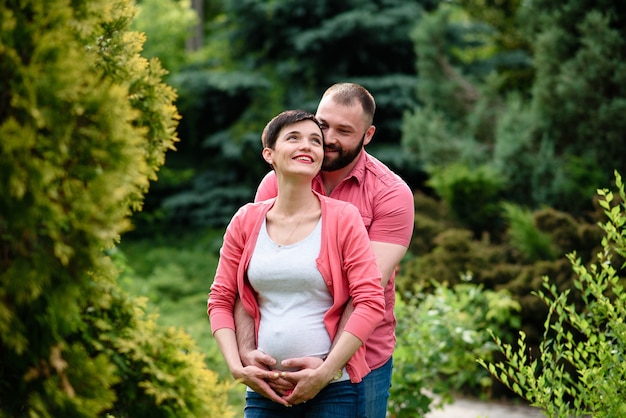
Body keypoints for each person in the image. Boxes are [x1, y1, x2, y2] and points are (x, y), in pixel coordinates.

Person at [236, 83, 415, 417]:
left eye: (344, 131)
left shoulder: (391, 194)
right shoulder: (277, 181)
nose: (328, 138)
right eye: (323, 124)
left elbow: (366, 291)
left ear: (368, 135)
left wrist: (326, 367)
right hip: (276, 370)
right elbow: (247, 279)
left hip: (359, 366)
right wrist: (247, 352)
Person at [207, 109, 386, 417]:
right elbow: (221, 299)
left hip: (334, 390)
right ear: (269, 154)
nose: (307, 146)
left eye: (315, 141)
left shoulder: (344, 218)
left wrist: (326, 371)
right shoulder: (246, 220)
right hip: (264, 390)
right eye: (294, 138)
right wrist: (237, 367)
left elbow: (369, 301)